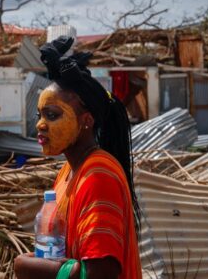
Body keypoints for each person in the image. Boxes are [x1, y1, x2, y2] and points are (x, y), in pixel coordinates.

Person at [14, 36, 142, 279]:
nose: (40, 124)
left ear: (86, 121)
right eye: (39, 115)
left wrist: (28, 267)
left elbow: (101, 273)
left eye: (52, 115)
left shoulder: (98, 175)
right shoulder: (68, 172)